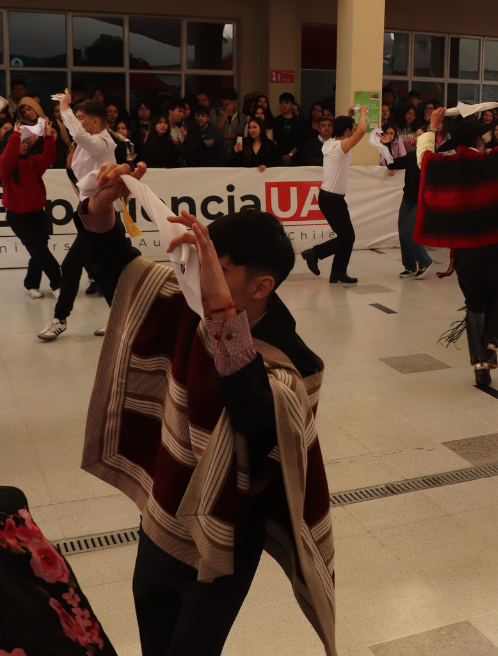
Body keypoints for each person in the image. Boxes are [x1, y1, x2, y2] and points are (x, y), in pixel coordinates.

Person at [74, 161, 336, 656]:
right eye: (199, 255)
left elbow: (256, 421)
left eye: (217, 264)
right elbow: (114, 266)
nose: (196, 271)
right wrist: (100, 207)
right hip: (163, 513)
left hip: (227, 536)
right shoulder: (181, 299)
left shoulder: (291, 362)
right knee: (153, 633)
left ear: (261, 287)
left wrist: (222, 318)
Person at [0, 74, 118, 654]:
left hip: (60, 211)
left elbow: (49, 155)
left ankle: (59, 292)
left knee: (55, 256)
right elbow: (12, 160)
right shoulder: (21, 145)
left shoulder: (88, 144)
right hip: (36, 210)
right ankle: (60, 296)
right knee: (56, 260)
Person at [417, 103, 498, 387]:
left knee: (473, 302)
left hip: (465, 250)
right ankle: (491, 343)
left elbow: (423, 158)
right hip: (497, 246)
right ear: (476, 141)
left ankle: (479, 364)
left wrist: (432, 128)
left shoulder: (444, 166)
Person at [38, 93, 117, 341]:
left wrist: (65, 106)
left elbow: (78, 133)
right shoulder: (88, 143)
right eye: (76, 117)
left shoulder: (102, 143)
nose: (76, 122)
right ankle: (121, 318)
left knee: (73, 265)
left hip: (101, 216)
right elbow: (75, 164)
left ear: (96, 122)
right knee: (103, 269)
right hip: (90, 214)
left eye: (81, 118)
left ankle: (60, 318)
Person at [300, 108, 368, 284]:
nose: (353, 130)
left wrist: (349, 117)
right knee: (348, 237)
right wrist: (363, 113)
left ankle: (338, 272)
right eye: (350, 128)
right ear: (347, 131)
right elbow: (361, 131)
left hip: (331, 198)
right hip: (331, 199)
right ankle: (314, 253)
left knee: (346, 236)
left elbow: (344, 129)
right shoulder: (339, 147)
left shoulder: (329, 143)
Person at [0, 120, 63, 299]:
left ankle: (30, 284)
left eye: (26, 141)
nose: (24, 144)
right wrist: (15, 135)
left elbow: (49, 156)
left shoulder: (33, 162)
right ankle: (58, 284)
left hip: (38, 215)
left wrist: (48, 136)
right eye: (20, 142)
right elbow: (7, 157)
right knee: (40, 250)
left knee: (38, 251)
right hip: (17, 217)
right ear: (10, 144)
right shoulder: (4, 166)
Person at [387, 127, 436, 279]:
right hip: (408, 198)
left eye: (421, 136)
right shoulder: (411, 156)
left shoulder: (432, 159)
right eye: (417, 136)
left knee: (407, 231)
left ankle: (425, 261)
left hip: (422, 200)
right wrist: (387, 145)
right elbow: (391, 163)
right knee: (402, 232)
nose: (418, 138)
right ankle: (410, 266)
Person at [274, 92, 306, 166]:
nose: (284, 105)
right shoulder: (275, 121)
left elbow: (301, 141)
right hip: (278, 159)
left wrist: (290, 155)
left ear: (292, 105)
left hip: (296, 159)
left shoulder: (300, 121)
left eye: (287, 102)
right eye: (281, 103)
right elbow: (274, 140)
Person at [216, 87, 245, 153]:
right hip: (219, 151)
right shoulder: (215, 112)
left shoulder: (241, 116)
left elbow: (240, 135)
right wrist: (226, 113)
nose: (227, 102)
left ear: (235, 100)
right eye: (225, 99)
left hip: (235, 152)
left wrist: (224, 135)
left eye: (230, 99)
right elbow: (216, 130)